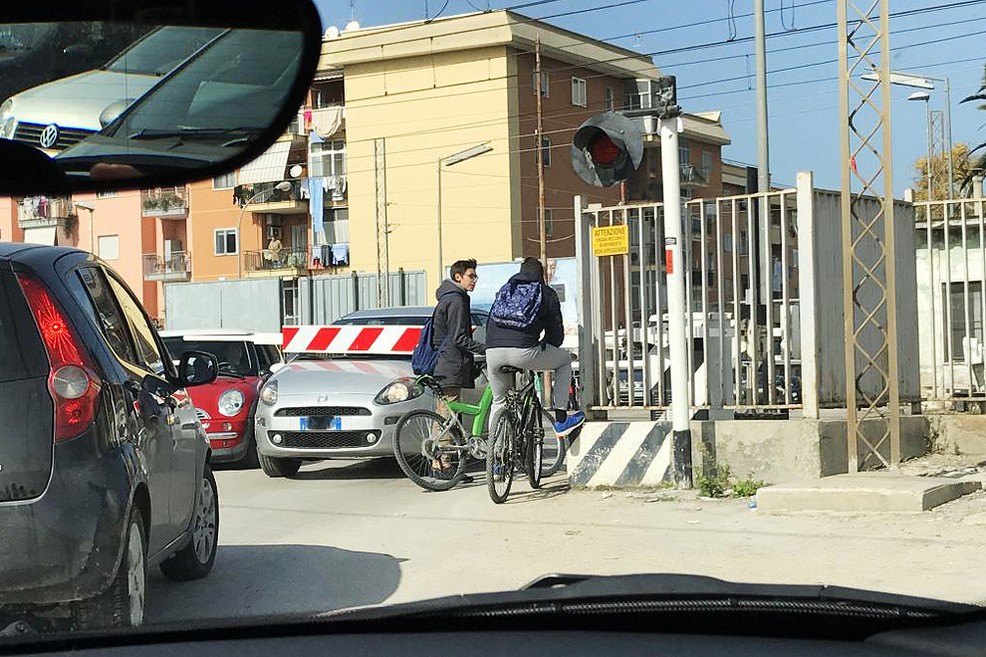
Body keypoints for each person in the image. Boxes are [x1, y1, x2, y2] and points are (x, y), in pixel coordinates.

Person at [486, 257, 585, 438]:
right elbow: (556, 335)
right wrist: (544, 344)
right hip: (524, 352)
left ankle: (496, 455)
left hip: (492, 352)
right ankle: (562, 419)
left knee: (498, 401)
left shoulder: (505, 291)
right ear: (541, 274)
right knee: (564, 361)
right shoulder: (545, 293)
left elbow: (490, 323)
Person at [432, 259, 486, 480]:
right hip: (451, 364)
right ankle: (443, 465)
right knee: (449, 415)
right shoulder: (457, 300)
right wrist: (484, 347)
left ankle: (443, 463)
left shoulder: (448, 297)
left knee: (445, 413)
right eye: (471, 276)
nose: (474, 280)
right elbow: (458, 338)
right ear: (458, 277)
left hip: (445, 362)